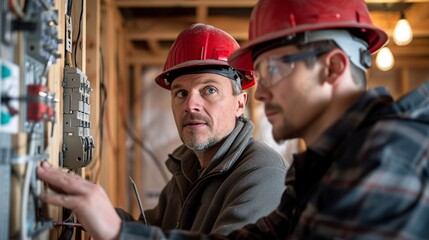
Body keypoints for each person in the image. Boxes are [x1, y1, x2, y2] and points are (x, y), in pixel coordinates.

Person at [37, 0, 429, 239]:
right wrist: (116, 228)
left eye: (273, 70)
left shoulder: (386, 163)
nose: (259, 92)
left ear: (333, 67)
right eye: (180, 93)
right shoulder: (321, 169)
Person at [38, 23, 287, 238]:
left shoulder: (263, 173)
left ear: (240, 103)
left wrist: (117, 233)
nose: (190, 105)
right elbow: (150, 230)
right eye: (181, 93)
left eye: (209, 90)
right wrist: (96, 211)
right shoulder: (188, 167)